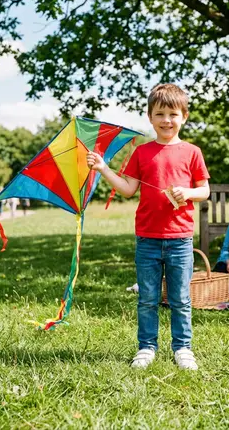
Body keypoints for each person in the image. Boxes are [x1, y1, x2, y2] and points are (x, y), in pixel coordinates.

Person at [87, 83, 210, 370]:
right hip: (147, 239)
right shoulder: (142, 152)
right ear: (150, 117)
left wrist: (187, 192)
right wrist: (104, 168)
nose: (167, 120)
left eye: (173, 114)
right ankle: (146, 347)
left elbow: (204, 190)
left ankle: (183, 348)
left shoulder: (192, 152)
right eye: (160, 114)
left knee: (180, 298)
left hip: (180, 238)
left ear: (184, 117)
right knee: (147, 299)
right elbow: (128, 189)